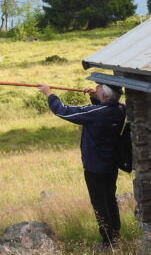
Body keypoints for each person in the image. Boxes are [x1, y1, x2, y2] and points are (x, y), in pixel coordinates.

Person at [37, 82, 125, 249]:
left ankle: (108, 242)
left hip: (94, 166)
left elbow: (65, 111)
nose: (96, 86)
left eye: (99, 86)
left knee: (99, 203)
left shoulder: (97, 113)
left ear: (105, 94)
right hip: (110, 164)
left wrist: (49, 94)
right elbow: (103, 112)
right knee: (110, 200)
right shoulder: (120, 109)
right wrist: (95, 97)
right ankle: (115, 236)